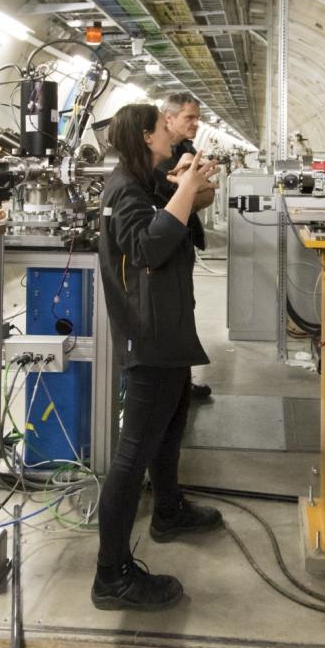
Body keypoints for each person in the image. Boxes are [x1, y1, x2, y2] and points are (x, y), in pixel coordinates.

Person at [92, 103, 223, 610]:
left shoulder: (144, 181)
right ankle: (112, 575)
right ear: (147, 136)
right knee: (132, 456)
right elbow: (146, 247)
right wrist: (187, 186)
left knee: (171, 423)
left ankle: (168, 510)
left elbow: (177, 215)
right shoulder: (124, 189)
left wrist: (188, 181)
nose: (173, 132)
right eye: (165, 127)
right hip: (147, 336)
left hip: (166, 329)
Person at [158, 92, 214, 399]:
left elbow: (204, 193)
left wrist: (193, 191)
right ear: (169, 118)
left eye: (197, 116)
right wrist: (192, 192)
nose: (196, 122)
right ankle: (170, 385)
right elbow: (169, 198)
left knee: (184, 308)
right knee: (168, 312)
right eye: (189, 117)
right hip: (164, 241)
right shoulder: (160, 153)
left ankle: (181, 382)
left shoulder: (187, 149)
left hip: (182, 239)